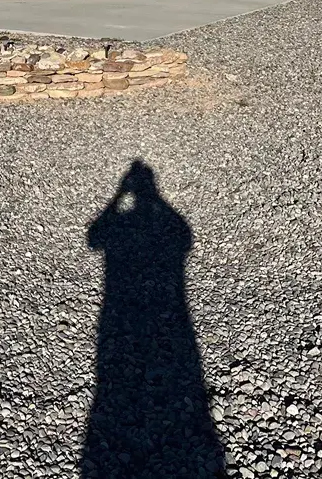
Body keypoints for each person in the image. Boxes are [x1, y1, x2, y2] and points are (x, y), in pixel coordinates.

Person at [82, 161, 226, 478]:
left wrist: (118, 196)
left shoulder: (131, 223)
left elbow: (94, 237)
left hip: (118, 308)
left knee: (117, 366)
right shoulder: (173, 225)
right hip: (171, 312)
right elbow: (183, 240)